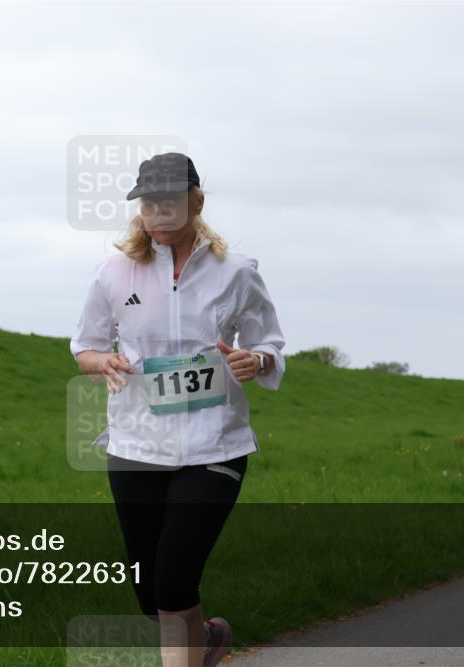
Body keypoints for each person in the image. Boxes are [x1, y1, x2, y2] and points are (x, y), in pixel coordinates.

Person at [69, 152, 287, 667]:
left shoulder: (235, 273)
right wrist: (107, 362)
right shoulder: (113, 273)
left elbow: (269, 343)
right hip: (136, 445)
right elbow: (85, 348)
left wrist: (255, 359)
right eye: (149, 204)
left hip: (215, 444)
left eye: (170, 202)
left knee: (172, 580)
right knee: (154, 593)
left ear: (197, 201)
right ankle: (207, 642)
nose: (159, 214)